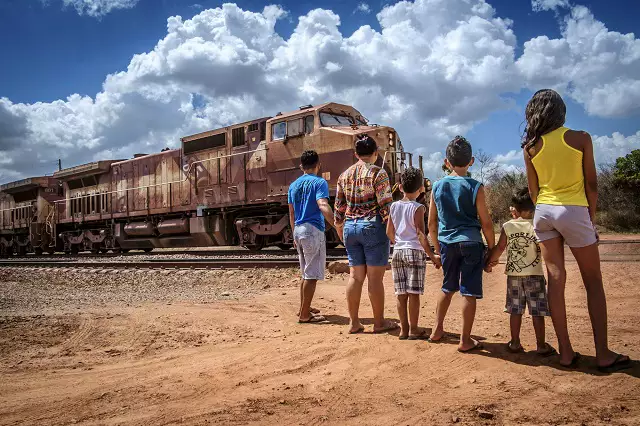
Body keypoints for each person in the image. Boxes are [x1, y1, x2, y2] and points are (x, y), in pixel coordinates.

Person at [522, 89, 630, 372]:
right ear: (561, 111)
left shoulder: (530, 147)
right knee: (593, 281)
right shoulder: (581, 138)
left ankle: (566, 352)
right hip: (574, 208)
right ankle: (603, 354)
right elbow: (591, 185)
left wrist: (547, 209)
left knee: (555, 279)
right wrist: (589, 219)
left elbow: (534, 192)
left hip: (543, 212)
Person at [427, 136, 495, 352]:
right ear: (472, 161)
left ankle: (437, 330)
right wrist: (491, 248)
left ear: (447, 162)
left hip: (447, 243)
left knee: (447, 287)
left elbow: (431, 223)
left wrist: (437, 249)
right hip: (471, 243)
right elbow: (486, 222)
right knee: (469, 292)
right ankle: (465, 340)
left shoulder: (437, 186)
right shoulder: (476, 187)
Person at [334, 134, 397, 334]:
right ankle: (379, 323)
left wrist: (339, 229)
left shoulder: (344, 175)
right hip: (372, 227)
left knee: (355, 277)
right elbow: (386, 206)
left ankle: (354, 322)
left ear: (356, 154)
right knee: (375, 279)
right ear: (375, 153)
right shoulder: (379, 173)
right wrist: (393, 234)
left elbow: (339, 208)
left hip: (350, 228)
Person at [486, 187, 556, 356]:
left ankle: (515, 342)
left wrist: (489, 261)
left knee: (515, 310)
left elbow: (501, 247)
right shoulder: (539, 225)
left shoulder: (508, 226)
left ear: (514, 209)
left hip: (514, 276)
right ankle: (541, 345)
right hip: (535, 275)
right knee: (537, 311)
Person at [386, 167, 441, 340]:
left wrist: (399, 243)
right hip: (414, 252)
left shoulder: (393, 206)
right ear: (420, 189)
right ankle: (414, 329)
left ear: (400, 187)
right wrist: (432, 256)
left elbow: (389, 232)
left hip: (398, 252)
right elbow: (420, 234)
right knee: (414, 293)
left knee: (401, 294)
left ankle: (403, 330)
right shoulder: (418, 208)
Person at [288, 150, 335, 323]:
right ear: (318, 165)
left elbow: (291, 213)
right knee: (311, 275)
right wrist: (337, 224)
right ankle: (305, 315)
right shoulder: (319, 182)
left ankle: (303, 308)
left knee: (305, 273)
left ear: (301, 166)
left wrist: (293, 233)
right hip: (313, 229)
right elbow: (322, 205)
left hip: (298, 229)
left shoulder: (293, 185)